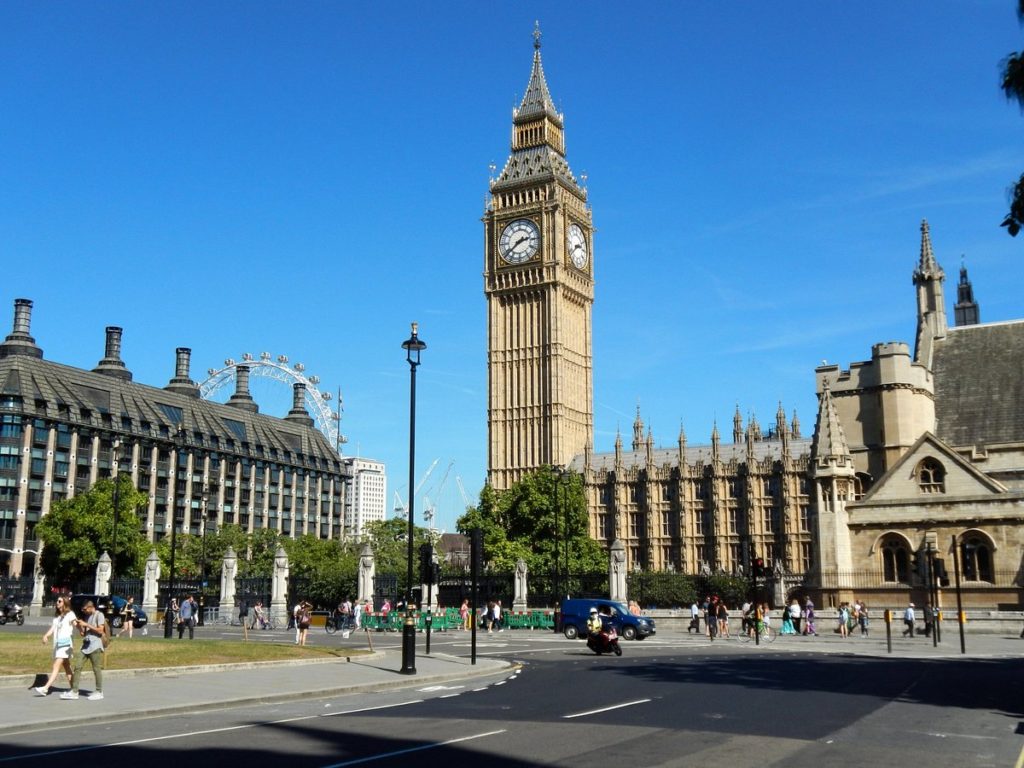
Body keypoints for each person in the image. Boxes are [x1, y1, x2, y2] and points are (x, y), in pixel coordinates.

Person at [61, 600, 105, 700]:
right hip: (86, 646)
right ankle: (74, 691)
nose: (83, 611)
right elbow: (84, 633)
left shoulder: (99, 615)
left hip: (95, 645)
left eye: (84, 609)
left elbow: (100, 630)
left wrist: (87, 625)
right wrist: (80, 627)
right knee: (77, 666)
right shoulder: (87, 617)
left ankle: (99, 691)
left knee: (96, 668)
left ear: (90, 607)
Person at [35, 595, 76, 696]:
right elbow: (53, 629)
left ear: (65, 603)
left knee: (56, 666)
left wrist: (80, 626)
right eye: (57, 601)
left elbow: (75, 623)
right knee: (67, 667)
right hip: (58, 645)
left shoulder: (70, 614)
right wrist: (46, 636)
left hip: (66, 645)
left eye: (59, 601)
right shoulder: (57, 617)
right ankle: (74, 689)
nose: (57, 603)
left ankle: (45, 688)